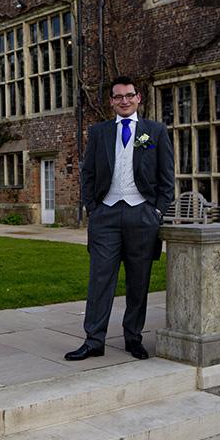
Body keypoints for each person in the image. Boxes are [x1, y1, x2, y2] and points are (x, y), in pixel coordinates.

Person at [65, 76, 174, 362]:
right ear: (111, 101)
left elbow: (167, 178)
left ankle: (133, 338)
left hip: (143, 214)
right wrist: (94, 209)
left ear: (139, 98)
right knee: (100, 279)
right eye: (118, 97)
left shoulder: (156, 132)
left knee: (138, 281)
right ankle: (94, 340)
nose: (124, 101)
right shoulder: (99, 132)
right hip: (106, 214)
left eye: (128, 96)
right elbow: (87, 174)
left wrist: (157, 212)